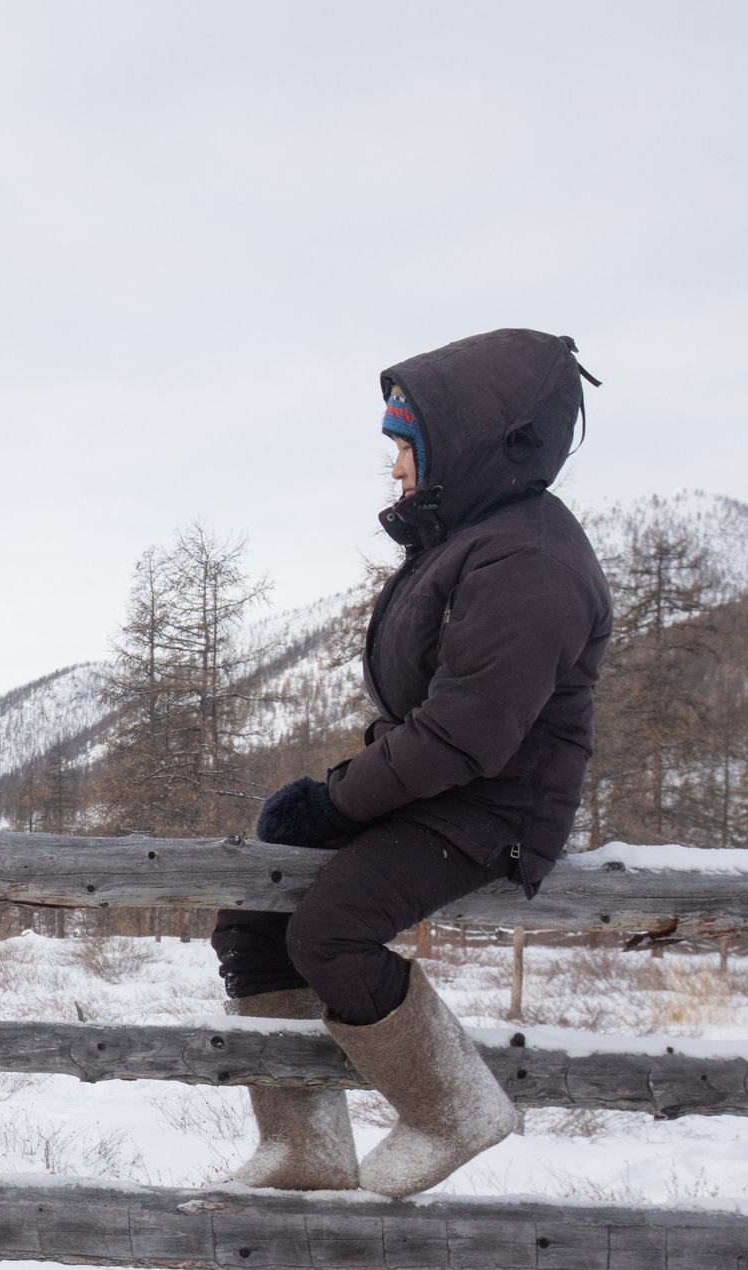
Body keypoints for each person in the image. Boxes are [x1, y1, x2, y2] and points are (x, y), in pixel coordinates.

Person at [214, 328, 611, 1198]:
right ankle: (303, 1143)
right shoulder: (474, 538)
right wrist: (336, 798)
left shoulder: (528, 559)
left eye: (405, 447)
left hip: (494, 810)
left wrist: (339, 803)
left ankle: (454, 1108)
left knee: (330, 931)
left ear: (465, 445)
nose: (395, 467)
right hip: (446, 791)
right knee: (255, 915)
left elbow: (469, 732)